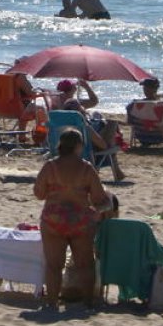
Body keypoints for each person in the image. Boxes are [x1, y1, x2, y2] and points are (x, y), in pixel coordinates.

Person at [33, 128, 112, 308]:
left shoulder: (50, 167)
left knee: (54, 265)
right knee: (85, 265)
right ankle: (87, 303)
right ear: (79, 146)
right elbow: (100, 198)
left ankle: (52, 303)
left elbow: (38, 193)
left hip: (53, 219)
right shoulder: (86, 168)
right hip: (80, 221)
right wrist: (101, 208)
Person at [51, 79, 126, 182]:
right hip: (88, 153)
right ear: (80, 111)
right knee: (112, 126)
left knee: (108, 125)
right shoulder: (85, 128)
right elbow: (103, 146)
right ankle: (116, 170)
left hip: (66, 152)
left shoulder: (58, 116)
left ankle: (117, 170)